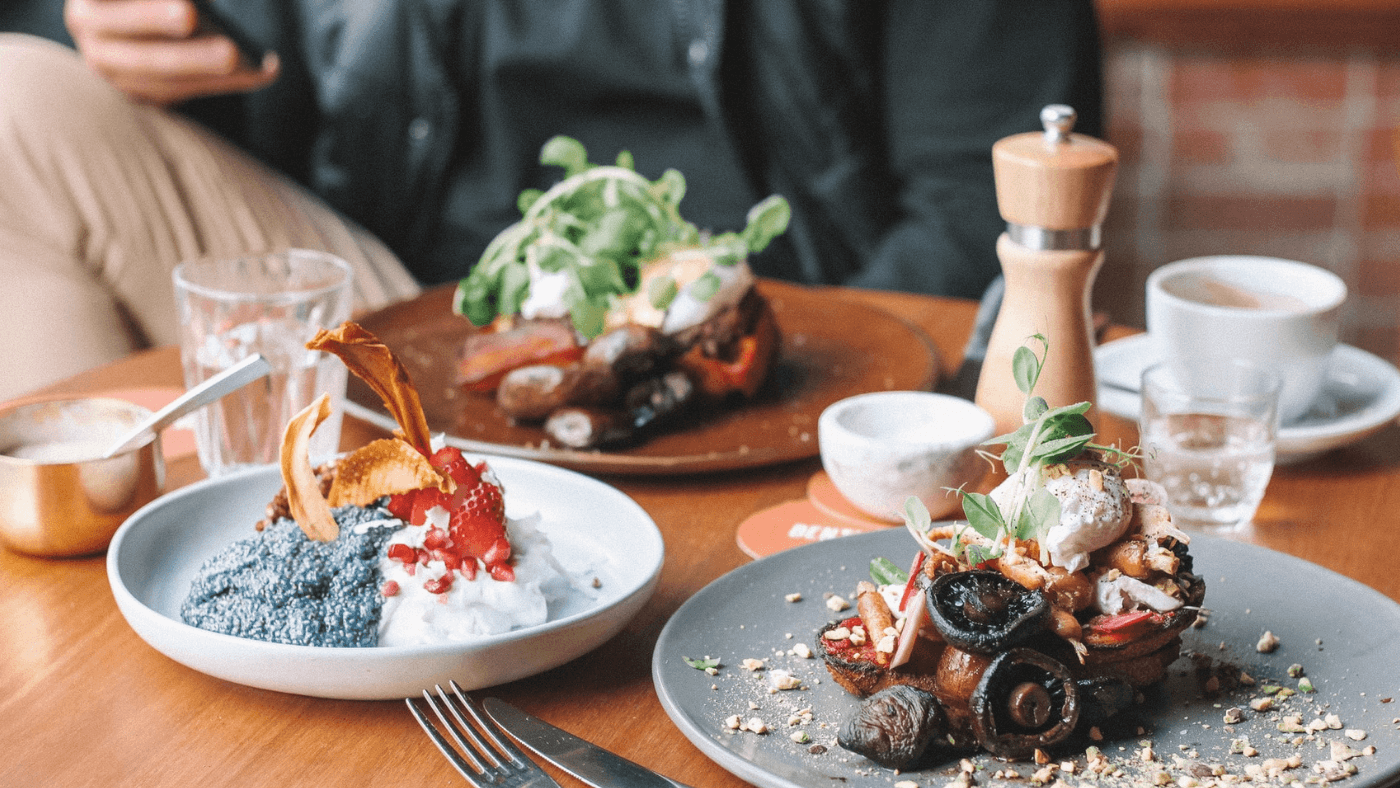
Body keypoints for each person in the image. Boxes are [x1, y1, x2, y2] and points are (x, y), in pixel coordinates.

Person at [0, 0, 1102, 400]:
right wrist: (96, 23)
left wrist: (717, 381)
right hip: (409, 322)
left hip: (766, 358)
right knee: (17, 103)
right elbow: (253, 72)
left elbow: (976, 213)